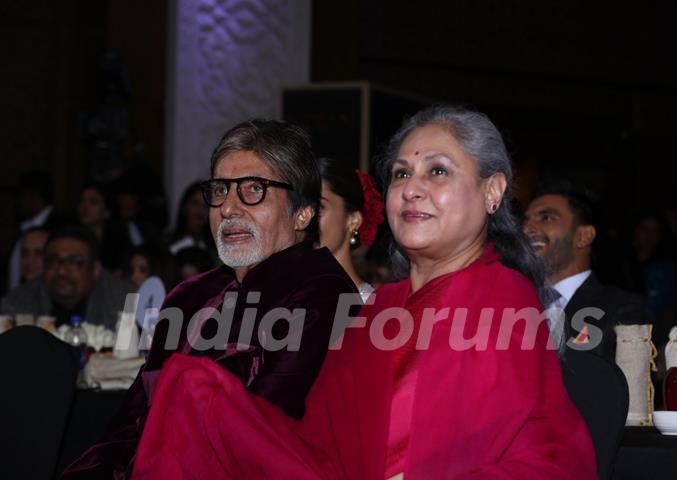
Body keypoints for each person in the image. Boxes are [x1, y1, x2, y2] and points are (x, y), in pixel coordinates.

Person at [131, 106, 596, 479]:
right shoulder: (382, 310)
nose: (412, 189)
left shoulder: (500, 297)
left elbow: (451, 456)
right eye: (399, 174)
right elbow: (318, 442)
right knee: (192, 391)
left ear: (492, 191)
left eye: (437, 172)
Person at [61, 119, 357, 478]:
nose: (228, 208)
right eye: (220, 190)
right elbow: (129, 422)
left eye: (253, 189)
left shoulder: (324, 294)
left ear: (302, 213)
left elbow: (263, 433)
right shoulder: (190, 296)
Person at [523, 180, 654, 361]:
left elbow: (629, 386)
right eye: (526, 219)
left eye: (546, 218)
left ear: (583, 236)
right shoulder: (514, 304)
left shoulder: (623, 311)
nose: (527, 228)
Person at [1, 225, 134, 329]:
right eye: (53, 260)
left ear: (95, 270)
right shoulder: (17, 303)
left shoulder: (125, 302)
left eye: (75, 262)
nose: (61, 271)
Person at [317, 157, 384, 302]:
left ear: (353, 220)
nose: (305, 218)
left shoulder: (371, 309)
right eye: (299, 207)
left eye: (319, 208)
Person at [168, 181, 214, 255]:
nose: (200, 211)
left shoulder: (216, 253)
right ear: (185, 207)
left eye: (205, 206)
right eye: (195, 203)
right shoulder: (168, 246)